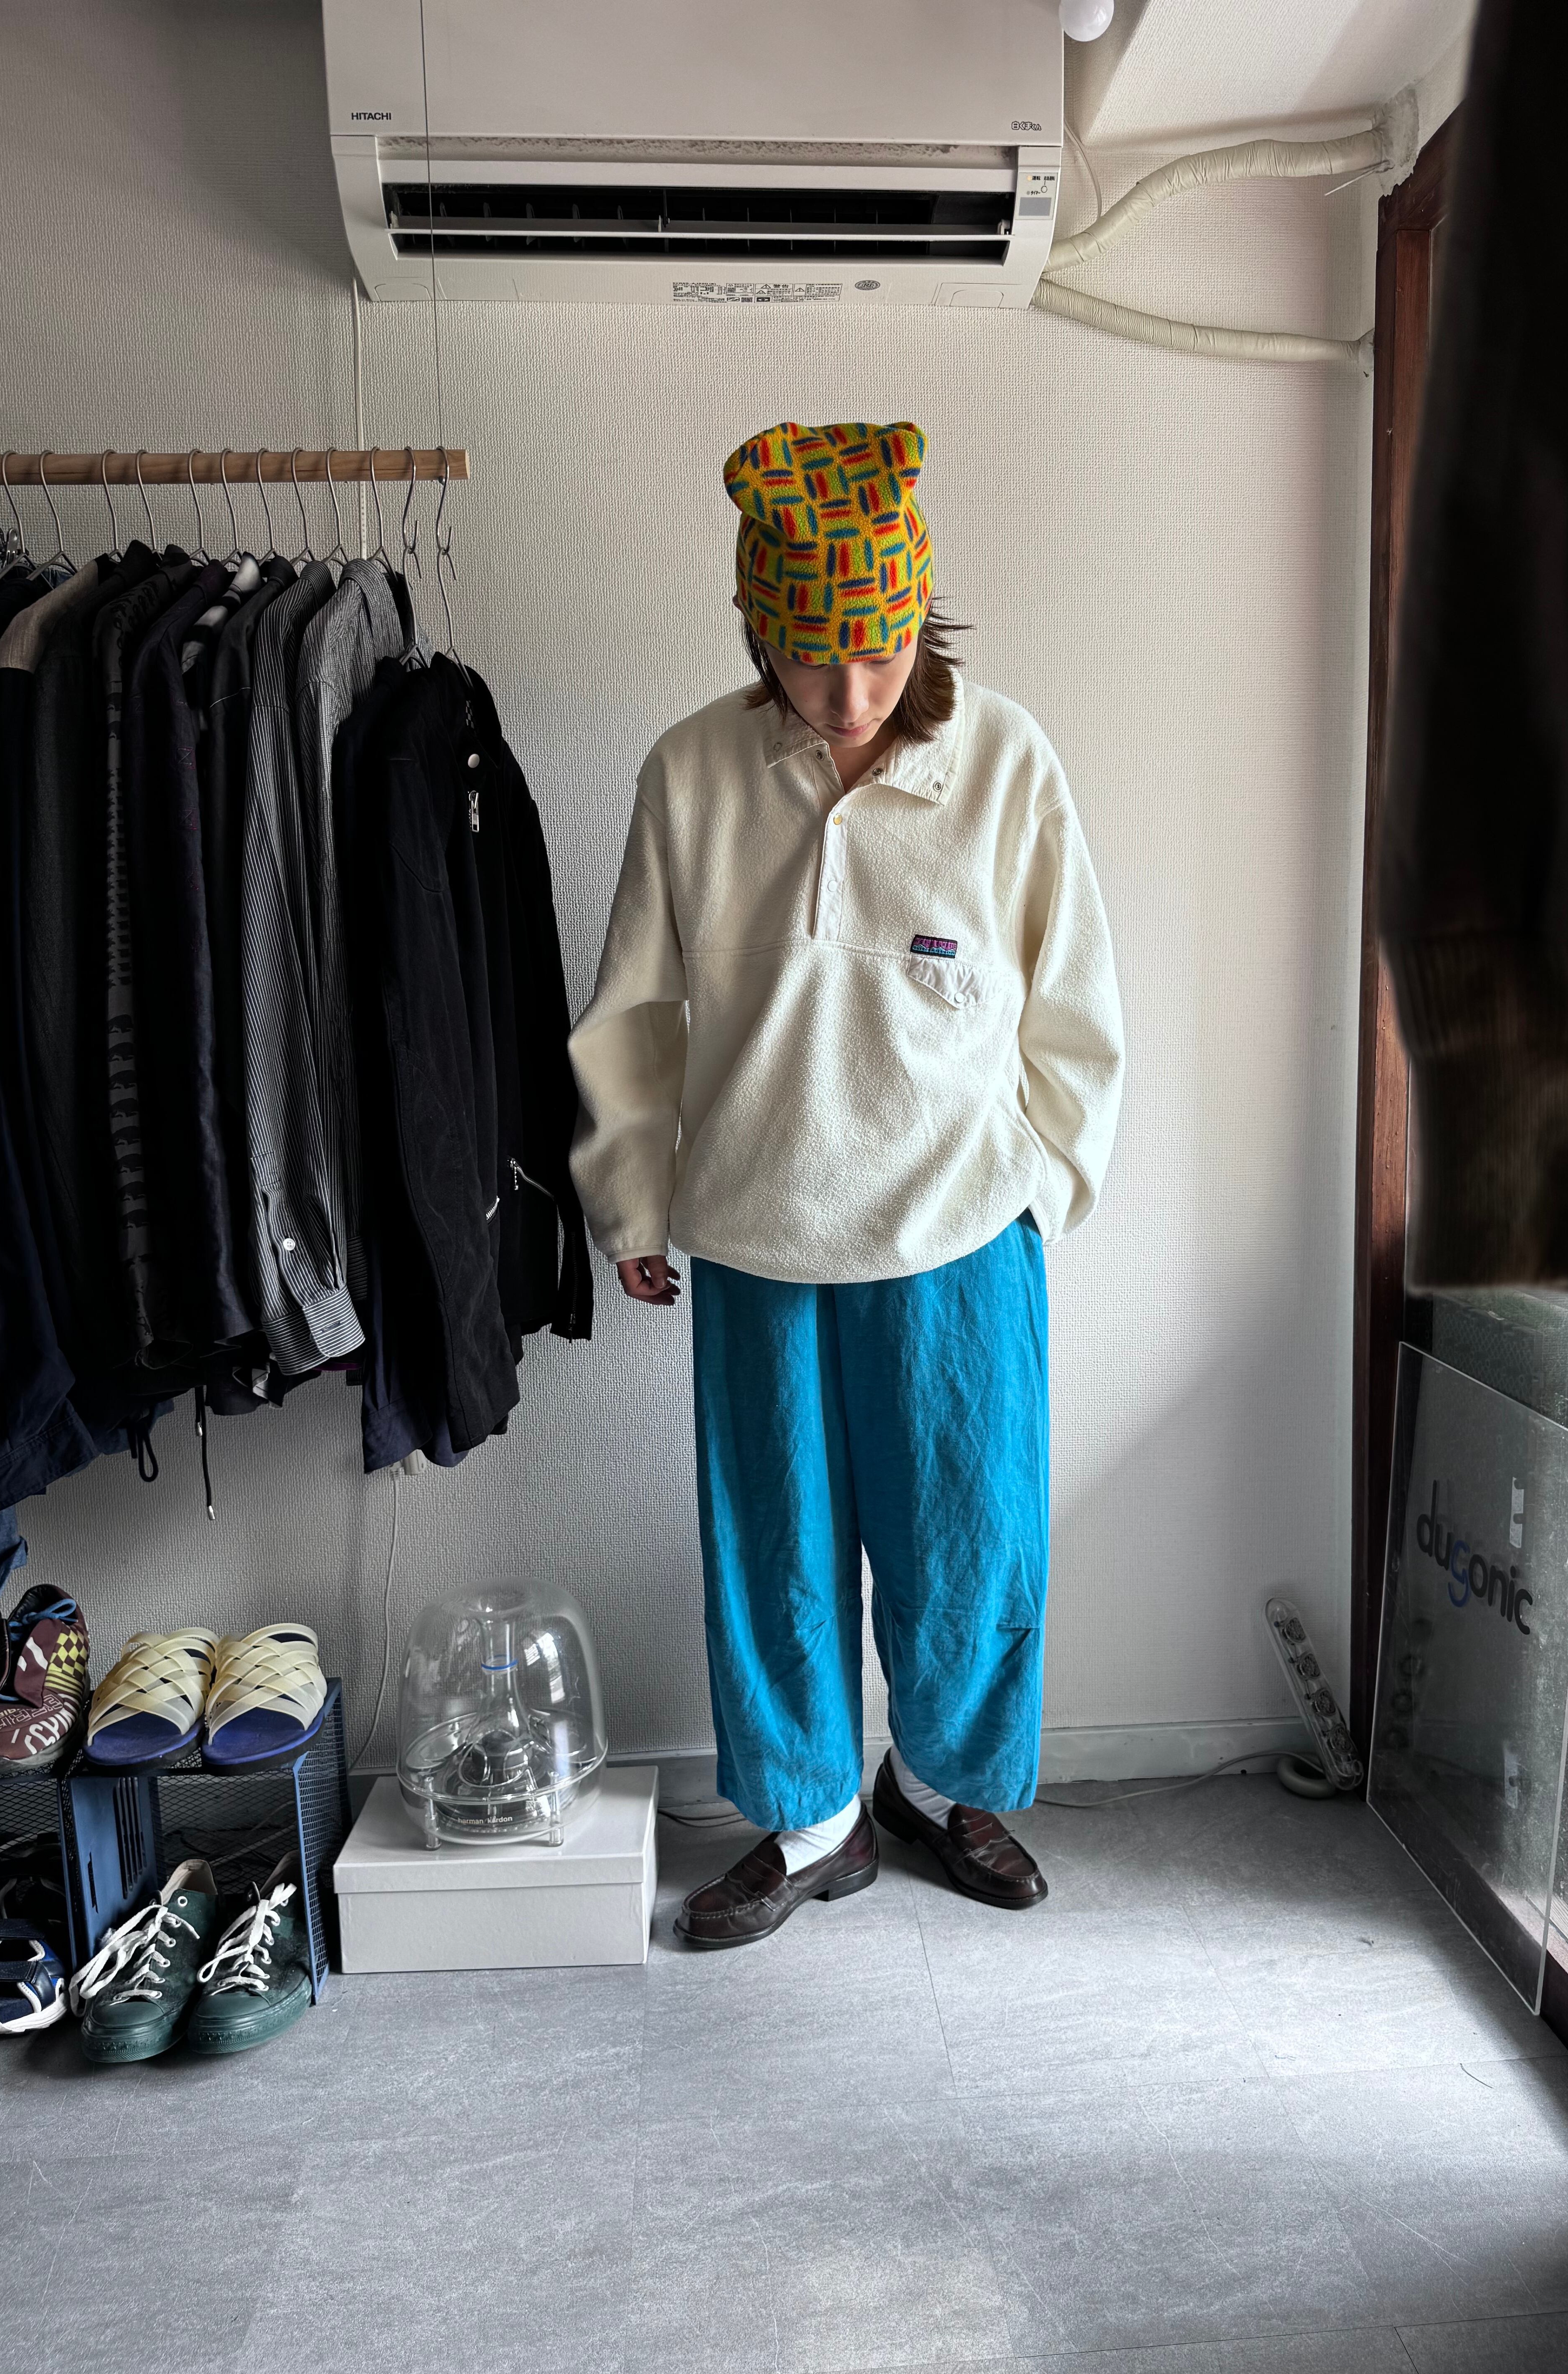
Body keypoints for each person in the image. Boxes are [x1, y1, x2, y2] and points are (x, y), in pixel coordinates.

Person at [569, 420, 1124, 1947]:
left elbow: (1076, 999)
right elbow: (633, 1011)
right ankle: (813, 1820)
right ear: (759, 633)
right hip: (759, 1229)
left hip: (959, 1229)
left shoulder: (1003, 760)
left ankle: (942, 1790)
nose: (849, 694)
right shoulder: (693, 769)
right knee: (774, 1553)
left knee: (969, 1542)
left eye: (877, 653)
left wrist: (1046, 1186)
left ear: (919, 619)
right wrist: (633, 1199)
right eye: (811, 661)